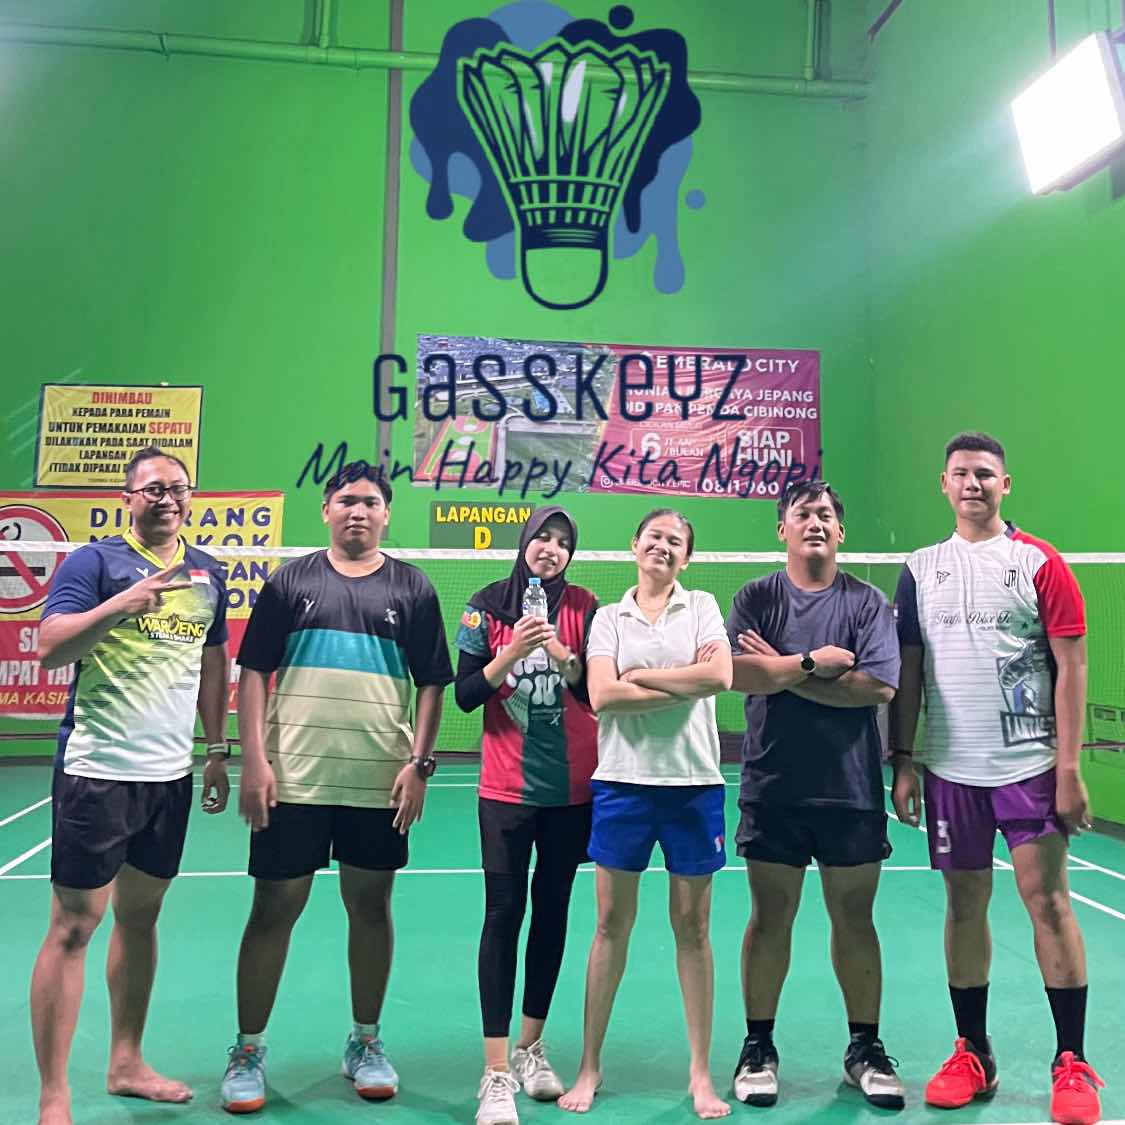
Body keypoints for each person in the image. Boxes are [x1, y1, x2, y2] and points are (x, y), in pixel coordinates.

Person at [218, 462, 453, 1114]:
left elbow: (433, 681)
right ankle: (247, 1049)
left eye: (371, 502)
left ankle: (365, 1041)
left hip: (377, 780)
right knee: (273, 909)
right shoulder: (290, 581)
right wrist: (255, 761)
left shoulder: (412, 587)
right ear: (326, 509)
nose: (358, 510)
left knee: (371, 908)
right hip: (293, 778)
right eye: (346, 499)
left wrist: (419, 764)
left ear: (386, 514)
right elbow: (254, 672)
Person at [889, 432, 1104, 1125]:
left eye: (985, 473)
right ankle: (973, 1052)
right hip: (951, 770)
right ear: (943, 484)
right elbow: (909, 670)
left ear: (1004, 484)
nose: (972, 483)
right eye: (961, 473)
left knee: (1048, 902)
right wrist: (902, 758)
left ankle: (1072, 1060)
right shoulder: (919, 569)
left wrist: (1068, 768)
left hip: (1029, 767)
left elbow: (1071, 665)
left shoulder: (1038, 561)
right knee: (962, 907)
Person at [31, 445, 231, 1125]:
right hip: (98, 772)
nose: (166, 498)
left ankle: (126, 1062)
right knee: (73, 927)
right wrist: (123, 603)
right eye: (152, 489)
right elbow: (50, 646)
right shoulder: (94, 563)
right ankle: (54, 1095)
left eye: (177, 487)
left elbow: (213, 664)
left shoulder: (207, 573)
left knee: (141, 919)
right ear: (128, 498)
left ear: (190, 496)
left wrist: (216, 749)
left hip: (168, 777)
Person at [725, 480, 904, 1110]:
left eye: (825, 514)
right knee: (769, 918)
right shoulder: (756, 597)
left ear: (840, 531)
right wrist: (810, 663)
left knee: (855, 919)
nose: (815, 523)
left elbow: (876, 688)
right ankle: (758, 1047)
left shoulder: (867, 602)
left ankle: (864, 1049)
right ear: (783, 529)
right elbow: (737, 674)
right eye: (802, 514)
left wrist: (781, 669)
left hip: (850, 789)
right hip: (772, 785)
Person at [558, 509, 733, 1121]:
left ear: (687, 556)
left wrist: (648, 676)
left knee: (694, 930)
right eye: (654, 537)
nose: (663, 546)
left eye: (675, 541)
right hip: (623, 785)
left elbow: (721, 675)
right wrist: (683, 683)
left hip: (693, 785)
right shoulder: (609, 617)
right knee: (610, 925)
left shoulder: (702, 606)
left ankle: (701, 1074)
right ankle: (589, 1065)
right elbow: (602, 695)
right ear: (635, 545)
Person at [454, 506, 599, 1125]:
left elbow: (594, 692)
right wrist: (511, 651)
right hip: (506, 790)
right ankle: (495, 1073)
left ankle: (530, 1047)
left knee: (553, 912)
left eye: (563, 542)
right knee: (503, 913)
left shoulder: (588, 608)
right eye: (543, 536)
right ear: (524, 542)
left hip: (571, 790)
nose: (551, 548)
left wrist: (562, 654)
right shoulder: (484, 606)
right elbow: (466, 695)